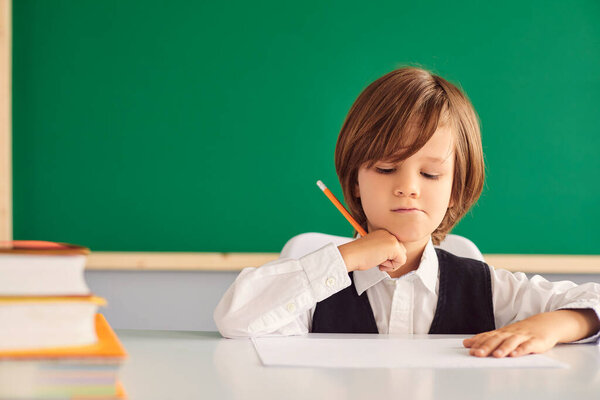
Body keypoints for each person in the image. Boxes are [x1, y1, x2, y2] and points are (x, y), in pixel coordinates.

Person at [214, 66, 600, 358]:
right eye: (386, 168)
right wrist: (344, 258)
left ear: (455, 190)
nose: (408, 187)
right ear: (354, 184)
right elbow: (235, 318)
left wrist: (552, 325)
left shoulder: (488, 289)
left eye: (431, 173)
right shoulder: (320, 288)